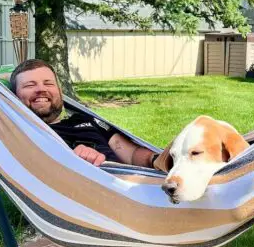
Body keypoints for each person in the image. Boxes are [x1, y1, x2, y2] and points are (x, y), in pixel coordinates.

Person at [10, 59, 157, 168]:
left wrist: (155, 159)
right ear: (14, 96)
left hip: (132, 187)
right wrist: (73, 161)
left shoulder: (87, 119)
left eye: (48, 83)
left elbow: (131, 155)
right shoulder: (23, 133)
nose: (41, 89)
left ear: (60, 92)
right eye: (30, 85)